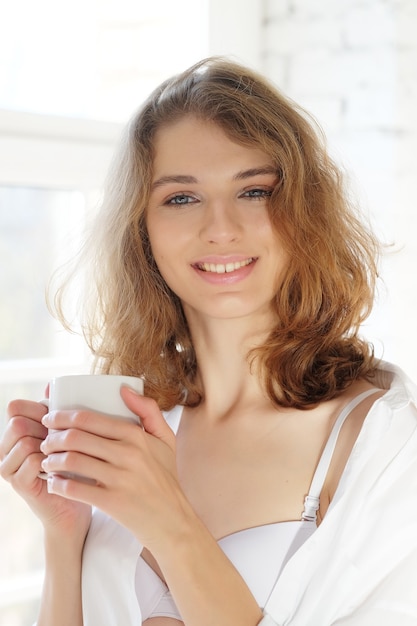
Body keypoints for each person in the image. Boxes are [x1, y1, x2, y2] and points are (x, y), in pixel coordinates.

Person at [1, 57, 417, 626]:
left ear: (305, 212)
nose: (221, 227)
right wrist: (63, 535)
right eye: (181, 198)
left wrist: (169, 520)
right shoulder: (137, 422)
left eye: (254, 191)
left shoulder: (386, 444)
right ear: (140, 229)